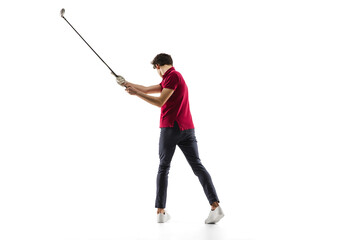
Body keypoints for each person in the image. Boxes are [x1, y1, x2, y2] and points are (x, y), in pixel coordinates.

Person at [115, 53, 224, 224]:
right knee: (197, 166)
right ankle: (215, 207)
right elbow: (145, 88)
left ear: (157, 66)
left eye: (155, 69)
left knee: (163, 168)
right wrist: (127, 83)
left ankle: (160, 211)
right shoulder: (170, 78)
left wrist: (135, 93)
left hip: (171, 129)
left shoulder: (172, 76)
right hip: (187, 129)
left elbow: (160, 102)